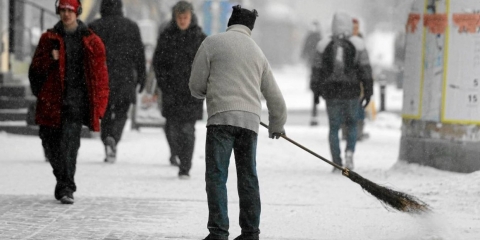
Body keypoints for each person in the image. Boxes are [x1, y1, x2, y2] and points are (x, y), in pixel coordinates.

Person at [189, 5, 287, 240]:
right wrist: (277, 124)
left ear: (230, 22)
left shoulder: (212, 43)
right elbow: (275, 97)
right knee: (248, 177)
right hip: (249, 123)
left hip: (220, 119)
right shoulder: (257, 52)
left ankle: (219, 231)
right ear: (250, 27)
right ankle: (250, 232)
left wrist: (206, 92)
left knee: (216, 176)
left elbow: (196, 86)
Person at [28, 0, 109, 204]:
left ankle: (66, 187)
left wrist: (99, 105)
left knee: (69, 145)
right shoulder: (48, 39)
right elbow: (35, 71)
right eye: (63, 10)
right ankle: (62, 180)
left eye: (70, 11)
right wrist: (49, 59)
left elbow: (100, 77)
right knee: (50, 143)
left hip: (76, 102)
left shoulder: (91, 41)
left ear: (77, 12)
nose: (66, 14)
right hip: (52, 101)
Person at [310, 12, 373, 172]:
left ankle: (336, 163)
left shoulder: (323, 45)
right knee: (352, 124)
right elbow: (365, 70)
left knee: (333, 128)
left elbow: (316, 71)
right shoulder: (358, 44)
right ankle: (350, 153)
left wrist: (316, 93)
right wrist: (368, 91)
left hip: (331, 92)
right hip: (351, 91)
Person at [152, 1, 206, 177]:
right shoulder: (166, 36)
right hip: (171, 91)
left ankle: (185, 165)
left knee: (187, 129)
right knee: (172, 128)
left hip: (192, 92)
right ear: (175, 18)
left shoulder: (200, 38)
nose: (182, 21)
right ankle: (176, 152)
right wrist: (163, 83)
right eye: (180, 17)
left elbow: (208, 65)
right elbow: (158, 63)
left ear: (191, 17)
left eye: (185, 17)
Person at [89, 0, 146, 163]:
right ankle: (114, 137)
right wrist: (141, 77)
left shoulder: (94, 27)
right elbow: (139, 55)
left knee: (105, 112)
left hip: (102, 78)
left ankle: (107, 138)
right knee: (122, 112)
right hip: (125, 78)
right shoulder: (131, 27)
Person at [341, 17, 368, 141]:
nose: (354, 29)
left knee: (359, 107)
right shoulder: (345, 40)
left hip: (357, 80)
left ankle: (357, 132)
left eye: (356, 27)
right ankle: (348, 132)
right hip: (348, 80)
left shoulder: (358, 40)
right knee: (347, 107)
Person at [301, 21, 322, 126]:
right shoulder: (317, 36)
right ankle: (311, 84)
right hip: (314, 60)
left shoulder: (313, 36)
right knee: (312, 74)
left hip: (314, 60)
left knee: (312, 75)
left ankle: (311, 84)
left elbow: (305, 47)